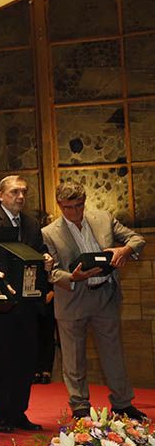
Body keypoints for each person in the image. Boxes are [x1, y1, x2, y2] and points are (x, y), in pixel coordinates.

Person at [42, 180, 147, 420]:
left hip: (104, 296)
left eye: (79, 206)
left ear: (84, 202)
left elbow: (137, 239)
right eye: (68, 207)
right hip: (72, 298)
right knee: (74, 359)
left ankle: (122, 403)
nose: (75, 212)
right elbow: (50, 272)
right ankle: (80, 407)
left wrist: (124, 251)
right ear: (60, 205)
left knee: (113, 354)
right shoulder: (48, 233)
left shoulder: (103, 219)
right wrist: (73, 276)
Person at [0, 175, 52, 434]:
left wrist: (47, 260)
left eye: (23, 192)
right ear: (0, 195)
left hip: (28, 302)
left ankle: (19, 412)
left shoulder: (31, 223)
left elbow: (39, 251)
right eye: (14, 192)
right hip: (0, 303)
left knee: (24, 360)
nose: (20, 197)